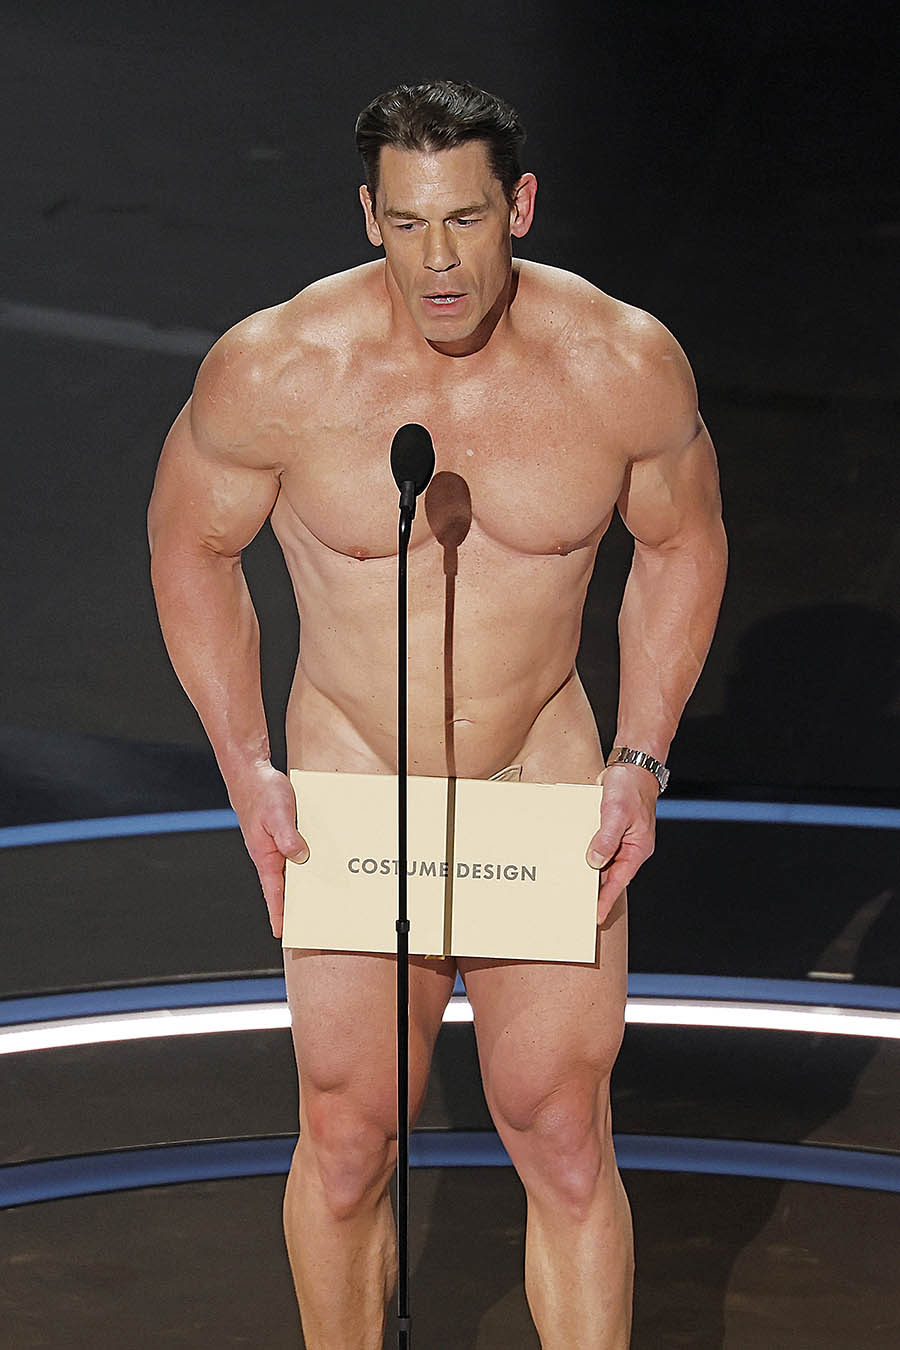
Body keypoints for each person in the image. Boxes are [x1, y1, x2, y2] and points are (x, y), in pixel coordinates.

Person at [147, 78, 727, 1350]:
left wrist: (640, 757)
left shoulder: (620, 363)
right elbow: (189, 545)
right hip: (356, 789)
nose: (439, 261)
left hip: (538, 779)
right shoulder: (280, 368)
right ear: (369, 216)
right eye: (407, 224)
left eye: (465, 219)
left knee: (562, 1133)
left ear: (520, 206)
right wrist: (246, 764)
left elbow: (683, 543)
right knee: (350, 1134)